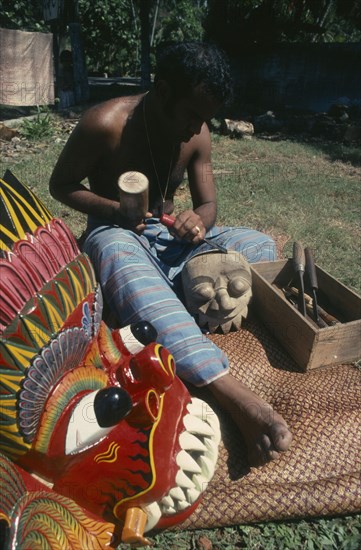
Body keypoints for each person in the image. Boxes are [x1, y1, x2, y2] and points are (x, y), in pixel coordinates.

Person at [49, 41, 292, 467]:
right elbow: (61, 184)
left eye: (204, 118)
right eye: (191, 114)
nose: (196, 127)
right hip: (120, 237)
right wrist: (116, 212)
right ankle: (226, 389)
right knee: (112, 253)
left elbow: (209, 206)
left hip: (174, 244)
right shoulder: (104, 124)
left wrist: (198, 222)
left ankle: (162, 299)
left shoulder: (196, 132)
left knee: (259, 246)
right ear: (162, 91)